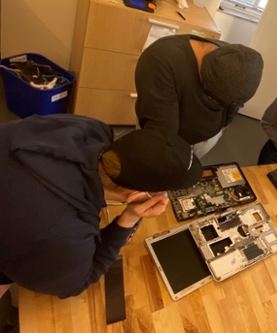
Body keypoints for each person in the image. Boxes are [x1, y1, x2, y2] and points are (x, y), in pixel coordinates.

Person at [0, 114, 203, 299]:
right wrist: (128, 219)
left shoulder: (88, 129)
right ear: (136, 195)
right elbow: (79, 282)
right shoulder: (63, 231)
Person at [135, 35, 264, 160]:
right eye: (215, 100)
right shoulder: (161, 60)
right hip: (162, 139)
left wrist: (226, 122)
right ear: (202, 78)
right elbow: (163, 136)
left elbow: (233, 102)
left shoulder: (236, 63)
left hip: (206, 138)